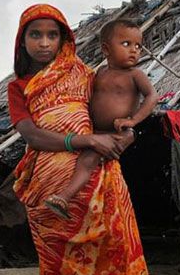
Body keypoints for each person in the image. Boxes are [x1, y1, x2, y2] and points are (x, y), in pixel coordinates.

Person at [7, 4, 162, 275]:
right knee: (53, 274)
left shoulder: (86, 75)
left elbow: (115, 110)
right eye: (35, 35)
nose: (44, 43)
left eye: (52, 34)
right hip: (47, 187)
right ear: (22, 41)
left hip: (94, 180)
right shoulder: (19, 86)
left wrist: (125, 135)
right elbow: (31, 135)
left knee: (91, 269)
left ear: (65, 39)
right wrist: (82, 139)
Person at [43, 18, 158, 219]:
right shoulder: (99, 73)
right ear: (106, 50)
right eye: (126, 44)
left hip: (119, 132)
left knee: (88, 161)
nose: (134, 50)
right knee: (81, 160)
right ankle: (66, 199)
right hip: (96, 132)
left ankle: (64, 196)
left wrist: (133, 121)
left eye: (138, 46)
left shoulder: (135, 75)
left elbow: (152, 97)